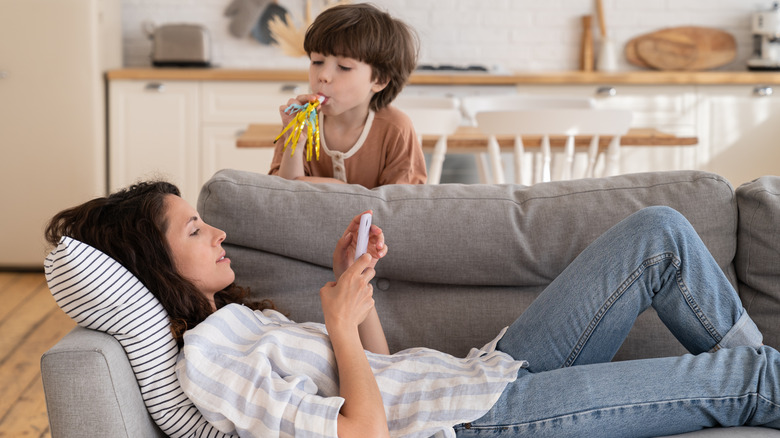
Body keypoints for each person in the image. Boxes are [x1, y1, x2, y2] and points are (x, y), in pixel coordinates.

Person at [46, 180, 780, 438]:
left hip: (471, 377)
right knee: (744, 382)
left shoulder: (238, 323)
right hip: (471, 424)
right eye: (195, 230)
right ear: (151, 264)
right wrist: (335, 322)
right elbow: (366, 435)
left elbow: (382, 376)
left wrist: (353, 292)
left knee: (658, 234)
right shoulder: (207, 363)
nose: (219, 232)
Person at [268, 3, 428, 188]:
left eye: (344, 67)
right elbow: (282, 197)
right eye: (317, 62)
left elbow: (400, 205)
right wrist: (295, 143)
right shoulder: (301, 122)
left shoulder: (396, 129)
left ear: (380, 80)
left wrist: (339, 188)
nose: (323, 76)